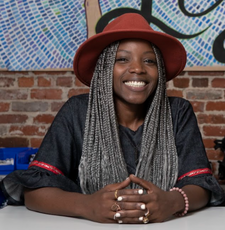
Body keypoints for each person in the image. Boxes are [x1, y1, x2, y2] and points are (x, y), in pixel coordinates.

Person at [0, 13, 224, 224]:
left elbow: (201, 184)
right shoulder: (77, 112)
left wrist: (172, 202)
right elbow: (33, 193)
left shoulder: (178, 112)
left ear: (161, 72)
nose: (137, 68)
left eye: (149, 61)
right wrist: (87, 205)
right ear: (105, 68)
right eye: (123, 59)